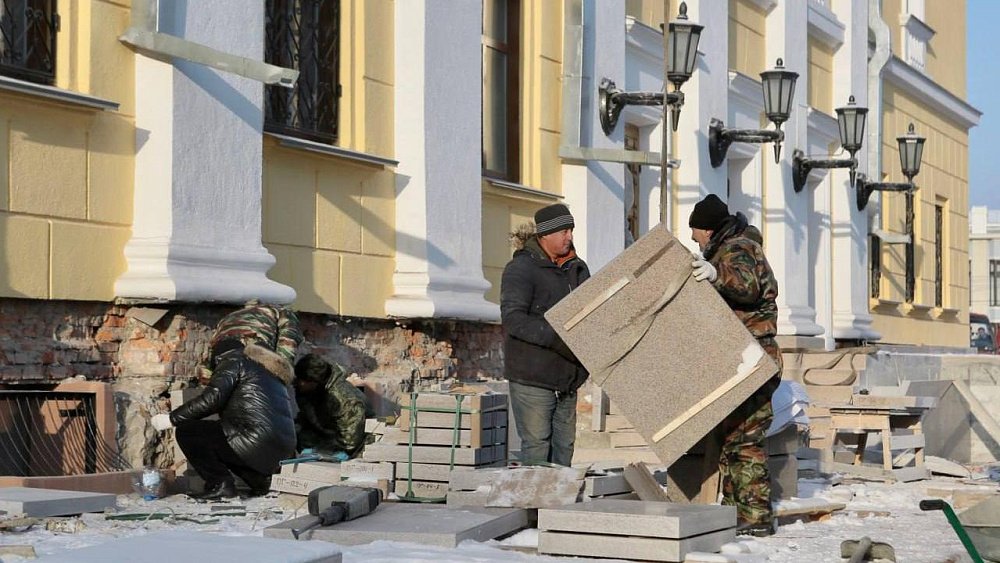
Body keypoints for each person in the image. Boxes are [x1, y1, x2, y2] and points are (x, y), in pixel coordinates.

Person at [688, 194, 782, 537]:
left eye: (695, 232)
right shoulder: (731, 248)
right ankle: (738, 513)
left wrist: (716, 274)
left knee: (745, 442)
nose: (694, 239)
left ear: (708, 228)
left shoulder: (738, 249)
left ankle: (756, 518)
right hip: (740, 361)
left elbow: (747, 286)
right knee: (733, 441)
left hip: (753, 362)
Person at [151, 301, 303, 500]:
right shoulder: (267, 369)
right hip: (282, 448)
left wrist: (171, 419)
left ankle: (220, 484)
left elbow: (212, 398)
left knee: (190, 431)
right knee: (227, 436)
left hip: (255, 442)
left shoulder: (231, 360)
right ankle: (260, 482)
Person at [500, 203, 590, 466]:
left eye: (571, 230)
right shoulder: (521, 269)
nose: (569, 237)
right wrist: (557, 338)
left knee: (564, 449)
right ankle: (535, 506)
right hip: (533, 378)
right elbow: (514, 320)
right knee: (537, 448)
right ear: (545, 235)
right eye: (564, 231)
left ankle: (557, 507)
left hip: (568, 379)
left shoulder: (577, 268)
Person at [293, 354, 369, 458]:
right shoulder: (309, 390)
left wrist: (323, 452)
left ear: (314, 382)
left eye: (302, 381)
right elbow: (307, 415)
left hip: (353, 442)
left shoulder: (345, 399)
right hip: (326, 433)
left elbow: (350, 440)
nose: (297, 383)